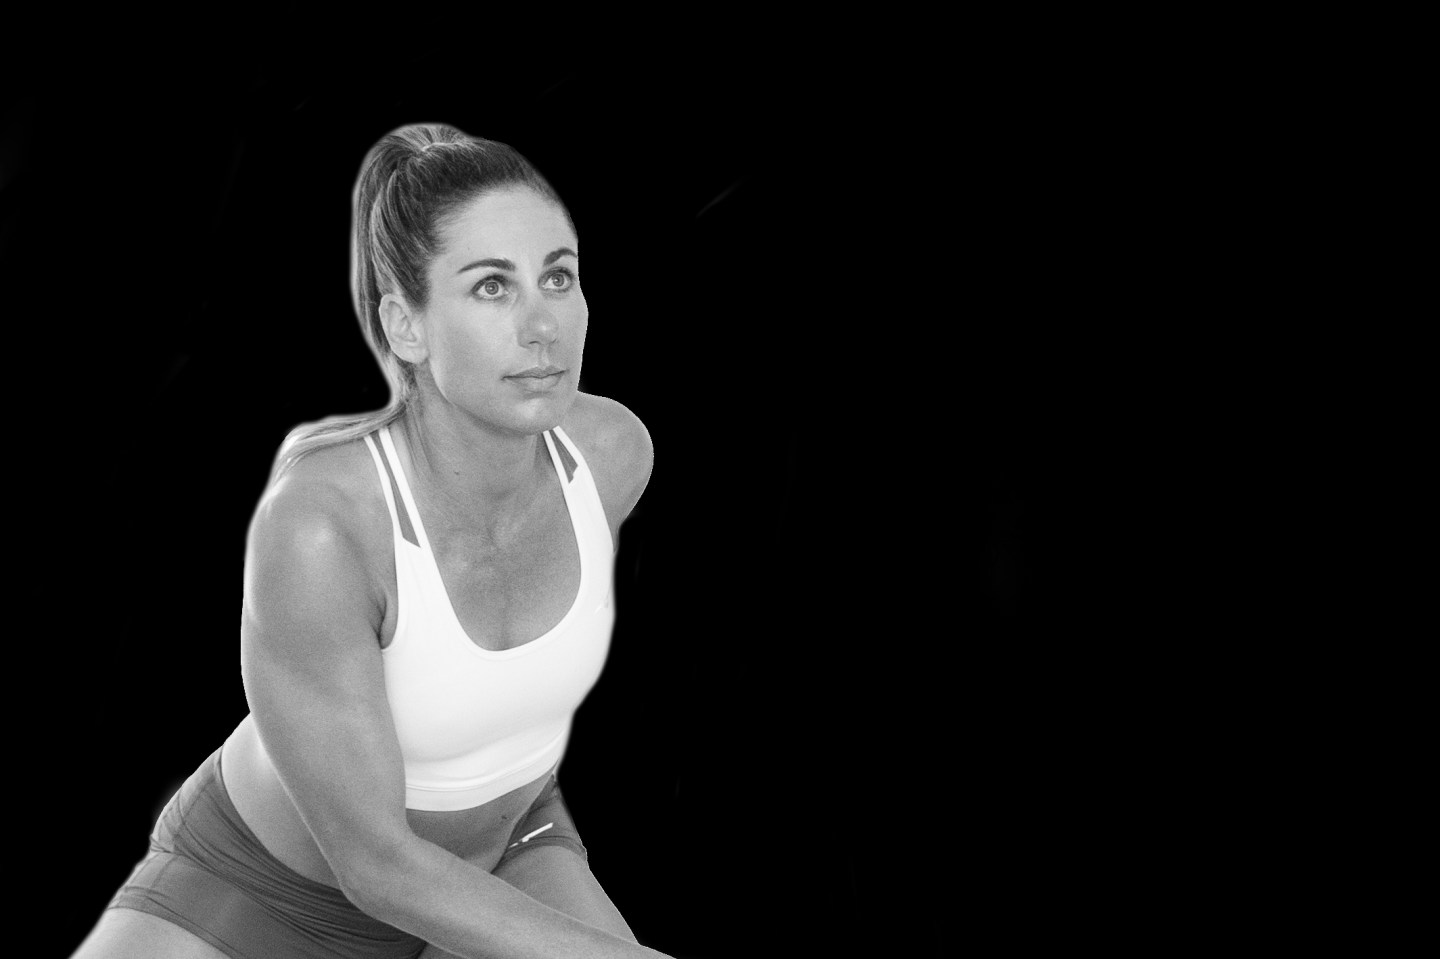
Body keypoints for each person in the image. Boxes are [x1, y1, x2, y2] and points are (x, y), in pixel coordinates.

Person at [71, 123, 672, 959]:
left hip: (504, 858)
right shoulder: (323, 522)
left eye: (558, 276)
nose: (544, 325)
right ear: (406, 324)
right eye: (492, 287)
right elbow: (377, 865)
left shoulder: (612, 455)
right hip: (261, 894)